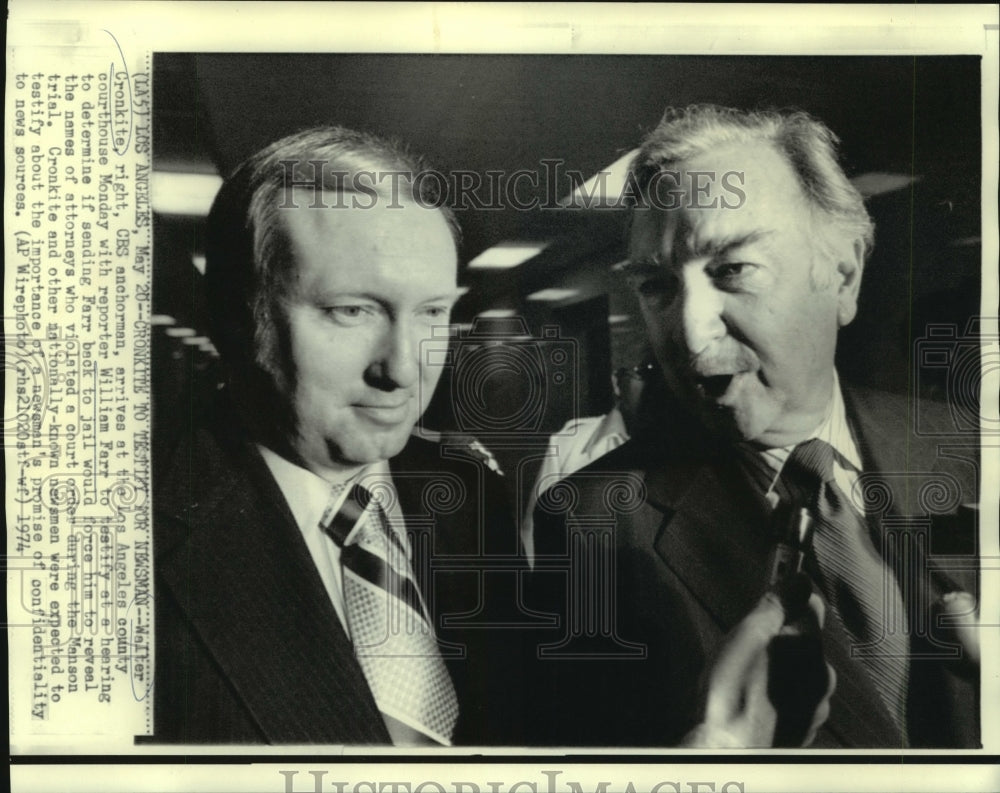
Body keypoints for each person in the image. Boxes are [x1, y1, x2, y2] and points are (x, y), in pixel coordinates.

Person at [152, 125, 834, 747]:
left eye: (432, 314)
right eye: (352, 310)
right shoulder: (127, 551)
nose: (402, 368)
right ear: (237, 318)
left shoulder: (469, 490)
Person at [530, 105, 980, 748]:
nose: (689, 334)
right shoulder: (591, 527)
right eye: (657, 286)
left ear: (843, 275)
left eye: (732, 269)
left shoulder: (971, 446)